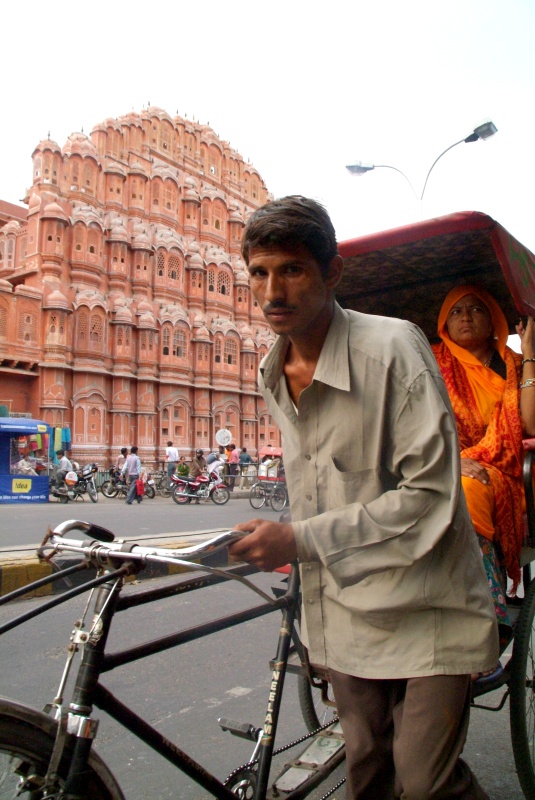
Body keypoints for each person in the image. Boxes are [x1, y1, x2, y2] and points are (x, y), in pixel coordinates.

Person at [228, 195, 498, 800]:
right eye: (259, 273)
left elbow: (429, 497)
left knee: (426, 783)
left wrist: (296, 540)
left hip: (429, 605)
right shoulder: (271, 371)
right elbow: (315, 484)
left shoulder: (394, 349)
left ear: (332, 273)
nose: (273, 291)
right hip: (344, 611)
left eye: (293, 270)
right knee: (367, 769)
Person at [432, 285, 535, 649]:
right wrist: (453, 460)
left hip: (503, 468)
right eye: (456, 311)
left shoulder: (512, 363)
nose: (465, 317)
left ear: (492, 318)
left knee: (468, 490)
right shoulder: (429, 361)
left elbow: (531, 424)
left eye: (475, 309)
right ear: (445, 322)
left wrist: (531, 353)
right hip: (436, 461)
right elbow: (412, 423)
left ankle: (486, 613)